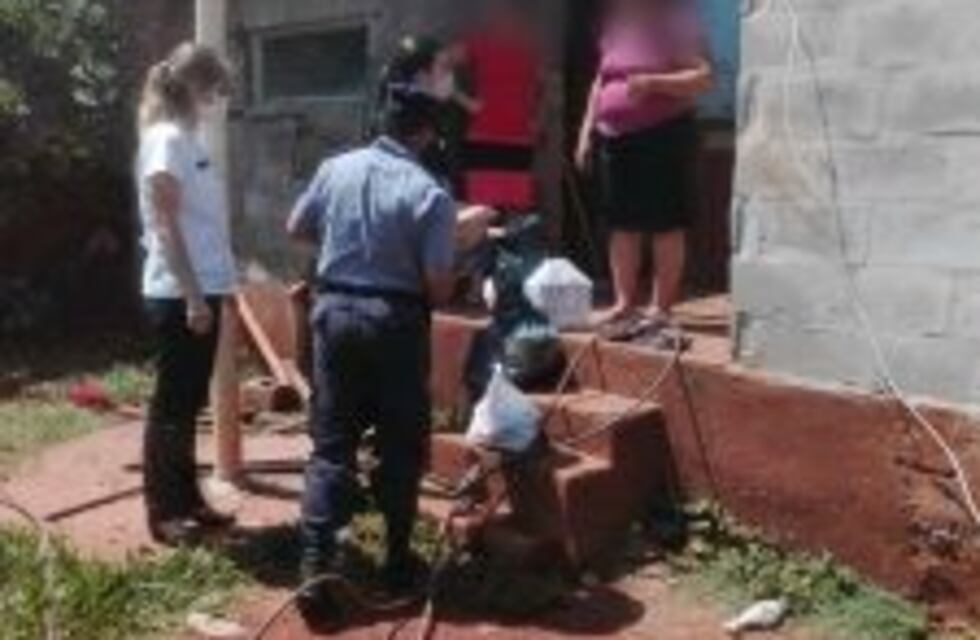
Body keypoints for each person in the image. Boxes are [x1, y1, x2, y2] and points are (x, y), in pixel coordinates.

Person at [286, 67, 492, 621]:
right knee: (401, 442)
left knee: (331, 446)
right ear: (426, 134)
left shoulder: (335, 169)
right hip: (393, 322)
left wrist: (347, 242)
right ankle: (397, 561)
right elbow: (436, 285)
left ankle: (314, 567)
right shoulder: (431, 192)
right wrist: (458, 248)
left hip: (332, 314)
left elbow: (295, 228)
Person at [135, 43, 238, 545]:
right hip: (180, 293)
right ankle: (163, 511)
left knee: (188, 401)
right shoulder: (167, 139)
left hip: (203, 287)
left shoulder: (188, 139)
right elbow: (165, 223)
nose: (217, 100)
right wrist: (195, 296)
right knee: (171, 404)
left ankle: (189, 498)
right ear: (196, 87)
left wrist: (215, 288)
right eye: (215, 89)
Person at [576, 0, 712, 342]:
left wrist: (653, 83)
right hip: (614, 138)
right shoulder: (615, 29)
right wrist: (585, 132)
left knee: (664, 222)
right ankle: (624, 303)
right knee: (622, 223)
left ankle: (661, 307)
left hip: (662, 134)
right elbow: (600, 81)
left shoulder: (674, 24)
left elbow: (702, 77)